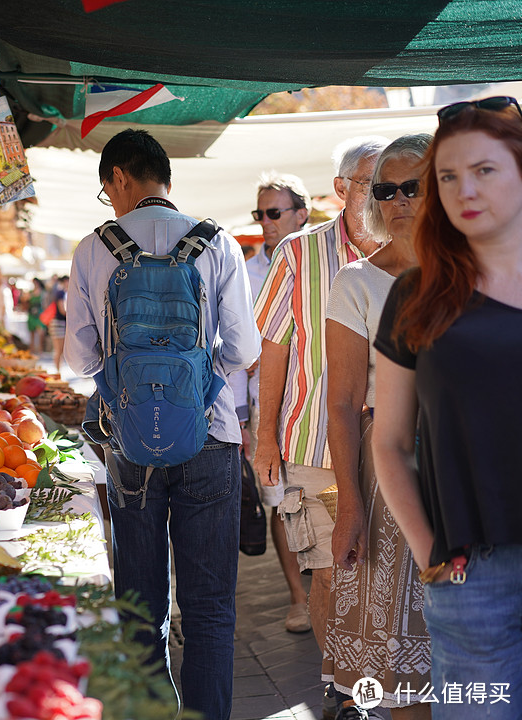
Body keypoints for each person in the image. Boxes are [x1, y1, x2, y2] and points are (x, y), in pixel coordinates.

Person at [66, 129, 259, 720]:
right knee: (209, 611)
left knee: (141, 608)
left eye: (109, 190)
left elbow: (80, 360)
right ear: (164, 176)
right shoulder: (216, 242)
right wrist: (198, 381)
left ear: (120, 178)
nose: (112, 203)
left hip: (130, 443)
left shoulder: (94, 248)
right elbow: (244, 347)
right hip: (210, 435)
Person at [373, 97, 522, 720]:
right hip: (472, 575)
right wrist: (428, 549)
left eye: (484, 170)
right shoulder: (417, 294)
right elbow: (389, 442)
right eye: (448, 176)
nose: (465, 190)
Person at [252, 136, 387, 664]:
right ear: (340, 189)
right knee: (333, 570)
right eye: (374, 184)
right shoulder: (299, 252)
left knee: (386, 570)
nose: (387, 197)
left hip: (393, 441)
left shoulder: (414, 251)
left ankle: (376, 675)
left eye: (401, 186)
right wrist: (265, 438)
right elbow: (273, 348)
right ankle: (340, 684)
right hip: (312, 443)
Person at [323, 134, 432, 720]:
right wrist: (349, 507)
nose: (395, 200)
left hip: (475, 470)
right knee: (402, 666)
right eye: (384, 190)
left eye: (410, 186)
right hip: (392, 477)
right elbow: (341, 403)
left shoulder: (487, 265)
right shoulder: (357, 282)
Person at [246, 172, 313, 634]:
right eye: (261, 214)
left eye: (275, 213)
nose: (266, 223)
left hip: (317, 400)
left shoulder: (323, 262)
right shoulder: (245, 270)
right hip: (267, 406)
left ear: (302, 214)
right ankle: (297, 598)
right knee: (280, 503)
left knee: (326, 498)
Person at [24, 277, 48, 354]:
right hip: (32, 314)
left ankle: (40, 349)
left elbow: (45, 305)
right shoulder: (30, 292)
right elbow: (26, 303)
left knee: (40, 332)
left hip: (39, 314)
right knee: (32, 333)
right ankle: (32, 349)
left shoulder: (42, 293)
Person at [50, 276, 68, 374]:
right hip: (58, 323)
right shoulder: (61, 292)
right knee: (59, 350)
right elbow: (62, 310)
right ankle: (57, 372)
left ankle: (58, 371)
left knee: (60, 350)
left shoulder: (62, 292)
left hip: (60, 323)